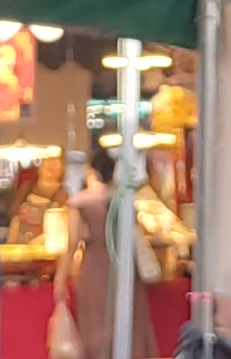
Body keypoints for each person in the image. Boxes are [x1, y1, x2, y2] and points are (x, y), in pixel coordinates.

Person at [59, 152, 151, 359]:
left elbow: (73, 243)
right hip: (124, 264)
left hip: (94, 265)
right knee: (128, 318)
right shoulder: (123, 199)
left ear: (90, 171)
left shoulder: (79, 202)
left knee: (95, 322)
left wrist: (60, 277)